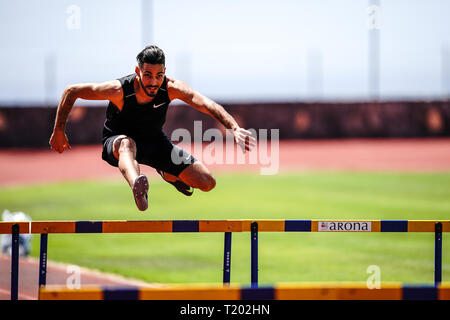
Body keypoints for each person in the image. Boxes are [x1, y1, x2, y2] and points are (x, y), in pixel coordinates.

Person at [49, 45, 256, 211]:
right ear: (138, 71)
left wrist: (233, 127)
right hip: (118, 144)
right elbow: (71, 91)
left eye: (159, 76)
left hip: (155, 143)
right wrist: (59, 130)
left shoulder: (171, 87)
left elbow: (206, 103)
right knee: (126, 144)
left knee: (207, 182)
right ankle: (137, 186)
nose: (153, 82)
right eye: (148, 75)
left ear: (164, 72)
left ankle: (167, 173)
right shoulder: (119, 90)